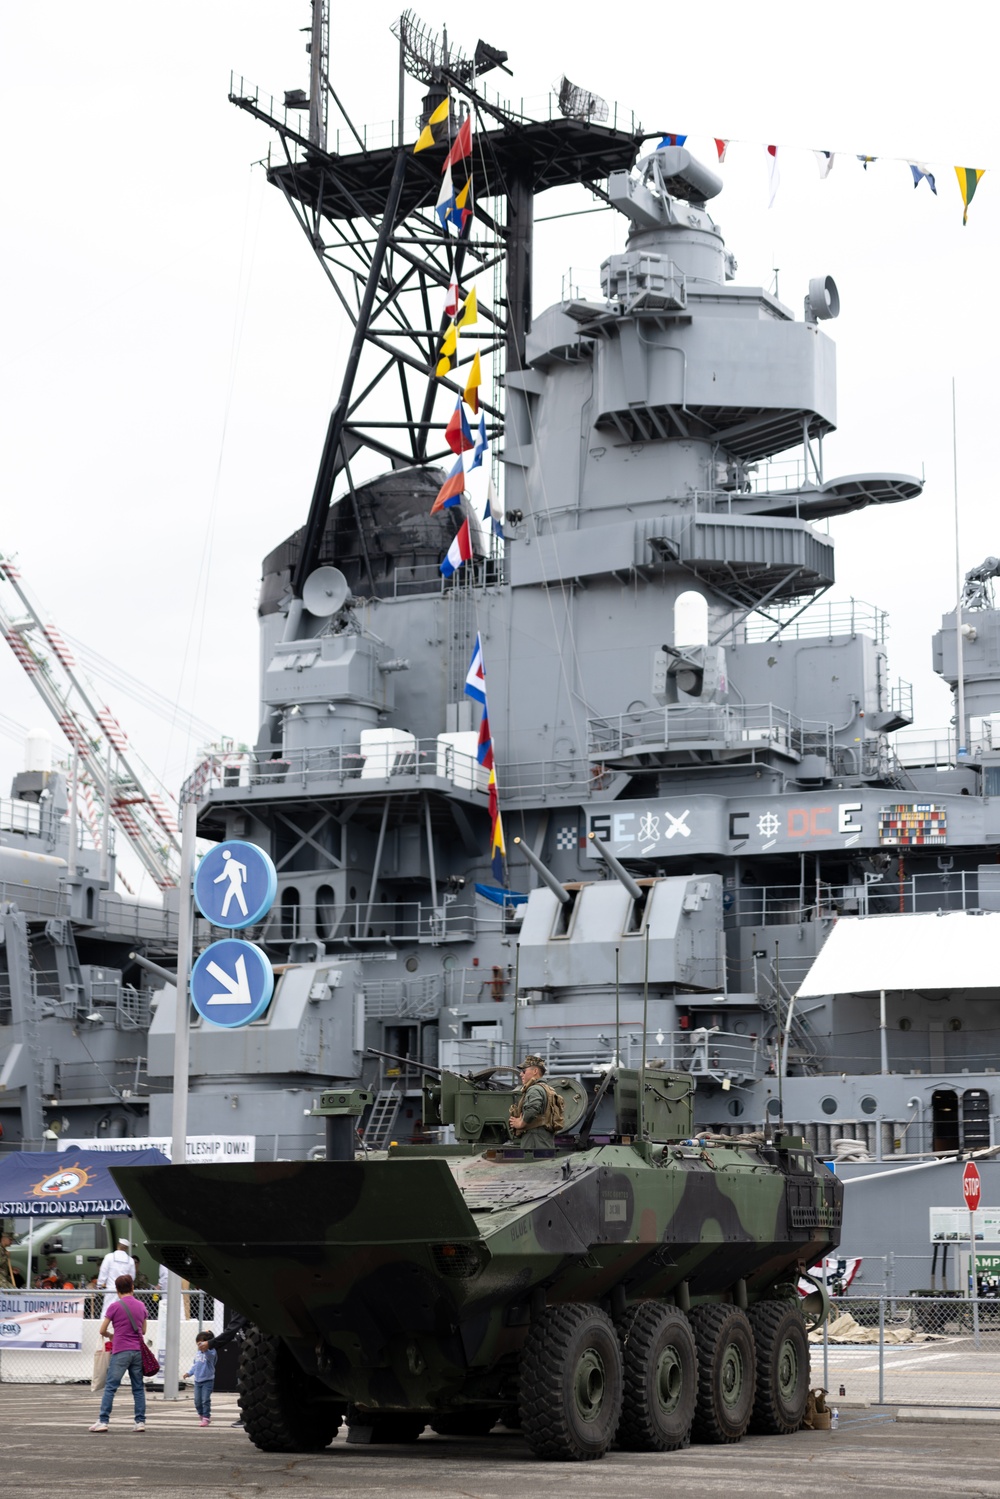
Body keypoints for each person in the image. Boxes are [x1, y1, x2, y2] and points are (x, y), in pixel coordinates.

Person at [89, 1274, 148, 1433]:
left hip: (121, 1350)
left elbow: (102, 1330)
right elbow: (143, 1330)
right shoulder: (141, 1306)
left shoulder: (114, 1307)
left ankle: (103, 1421)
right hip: (137, 1351)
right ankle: (140, 1422)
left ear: (117, 1290)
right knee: (138, 1388)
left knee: (111, 1387)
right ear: (132, 1288)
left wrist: (111, 1335)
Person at [509, 1055, 556, 1149]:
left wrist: (521, 1123)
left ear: (535, 1071)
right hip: (543, 1139)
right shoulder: (547, 1088)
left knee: (531, 1162)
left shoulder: (534, 1089)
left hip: (534, 1140)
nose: (521, 1074)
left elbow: (532, 1109)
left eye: (524, 1071)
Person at [96, 1237, 136, 1313]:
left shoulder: (109, 1257)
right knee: (123, 1312)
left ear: (118, 1246)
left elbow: (103, 1272)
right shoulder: (130, 1260)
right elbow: (132, 1277)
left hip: (111, 1289)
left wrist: (99, 1285)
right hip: (125, 1291)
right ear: (126, 1248)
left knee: (107, 1311)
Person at [185, 1331, 217, 1426]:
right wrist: (189, 1373)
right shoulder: (198, 1353)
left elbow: (210, 1356)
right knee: (197, 1401)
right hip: (198, 1381)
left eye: (201, 1343)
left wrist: (205, 1349)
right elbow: (195, 1365)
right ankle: (201, 1415)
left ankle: (206, 1417)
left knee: (205, 1400)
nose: (199, 1346)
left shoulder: (211, 1352)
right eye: (198, 1344)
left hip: (207, 1380)